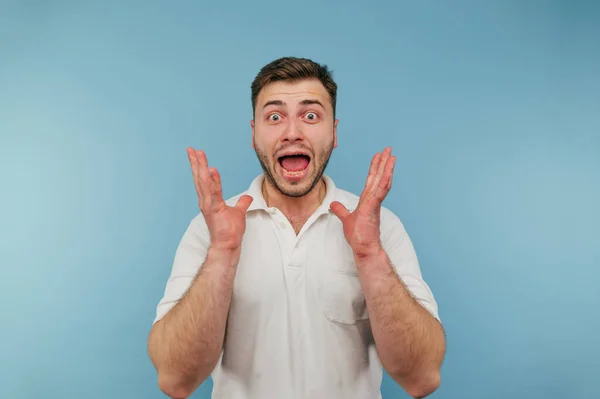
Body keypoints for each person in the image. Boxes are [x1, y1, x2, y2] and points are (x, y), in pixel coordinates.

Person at [147, 56, 446, 399]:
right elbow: (175, 380)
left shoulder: (382, 229)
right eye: (274, 117)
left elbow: (422, 378)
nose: (292, 132)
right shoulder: (209, 231)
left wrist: (369, 253)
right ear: (254, 133)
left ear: (333, 133)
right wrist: (223, 252)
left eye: (310, 116)